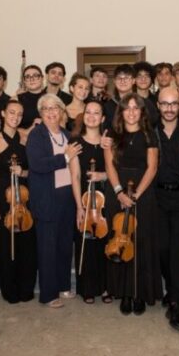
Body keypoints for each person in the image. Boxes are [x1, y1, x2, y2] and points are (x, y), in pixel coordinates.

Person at [104, 93, 161, 316]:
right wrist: (119, 192)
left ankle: (139, 294)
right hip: (117, 190)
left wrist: (135, 195)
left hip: (142, 192)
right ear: (121, 112)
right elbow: (109, 166)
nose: (131, 112)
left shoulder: (149, 135)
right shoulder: (112, 134)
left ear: (142, 112)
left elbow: (152, 168)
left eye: (136, 108)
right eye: (127, 108)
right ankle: (124, 293)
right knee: (121, 239)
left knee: (141, 242)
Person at [26, 93, 82, 308]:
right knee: (47, 248)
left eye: (55, 108)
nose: (51, 112)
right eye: (46, 109)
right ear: (41, 113)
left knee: (65, 245)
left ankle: (64, 285)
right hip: (46, 198)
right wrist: (65, 157)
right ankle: (49, 294)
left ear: (61, 111)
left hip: (67, 196)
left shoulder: (67, 135)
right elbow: (37, 164)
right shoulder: (36, 135)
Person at [0, 99, 37, 303]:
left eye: (19, 114)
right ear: (3, 114)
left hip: (25, 196)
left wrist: (22, 171)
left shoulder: (26, 139)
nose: (15, 117)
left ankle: (26, 288)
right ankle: (9, 290)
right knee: (7, 244)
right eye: (11, 112)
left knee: (27, 244)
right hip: (4, 197)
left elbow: (34, 170)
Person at [69, 100, 111, 304]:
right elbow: (75, 177)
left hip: (106, 199)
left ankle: (106, 286)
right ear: (83, 115)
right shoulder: (75, 143)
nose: (91, 116)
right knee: (85, 243)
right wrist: (79, 207)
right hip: (84, 198)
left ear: (102, 118)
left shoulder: (108, 142)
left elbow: (116, 172)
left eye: (96, 113)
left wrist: (102, 175)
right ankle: (87, 288)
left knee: (105, 242)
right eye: (88, 112)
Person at [155, 87, 179, 331]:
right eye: (165, 104)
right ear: (158, 105)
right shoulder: (149, 129)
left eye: (173, 103)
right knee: (162, 248)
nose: (169, 108)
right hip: (156, 197)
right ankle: (171, 288)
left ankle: (176, 302)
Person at [103, 64, 159, 131]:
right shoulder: (108, 106)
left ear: (133, 81)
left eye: (126, 78)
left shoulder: (145, 103)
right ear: (114, 81)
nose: (122, 81)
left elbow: (153, 124)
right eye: (119, 78)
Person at [17, 65, 47, 139]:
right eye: (27, 77)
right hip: (23, 140)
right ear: (24, 81)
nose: (32, 79)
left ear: (42, 78)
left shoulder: (51, 98)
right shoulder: (17, 99)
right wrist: (28, 131)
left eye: (35, 75)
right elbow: (9, 126)